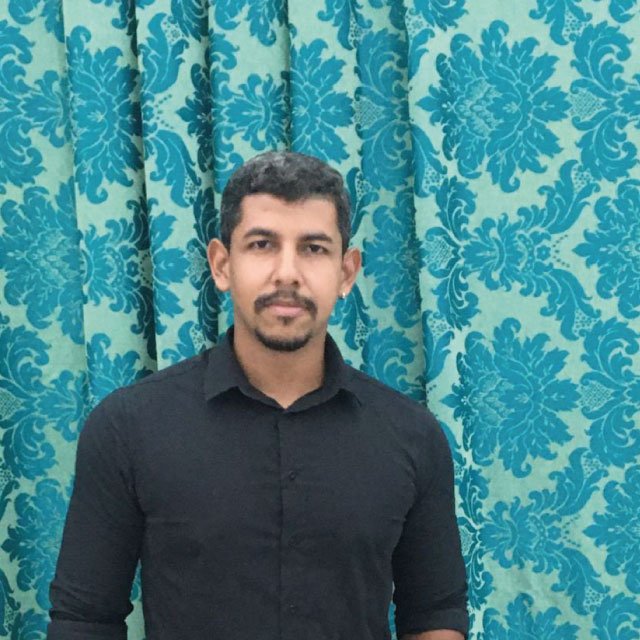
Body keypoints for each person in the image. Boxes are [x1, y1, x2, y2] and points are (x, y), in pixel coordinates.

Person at [48, 151, 469, 639]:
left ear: (346, 272)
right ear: (222, 265)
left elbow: (435, 612)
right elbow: (85, 619)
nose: (287, 273)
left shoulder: (412, 436)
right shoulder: (127, 428)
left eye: (313, 248)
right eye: (262, 244)